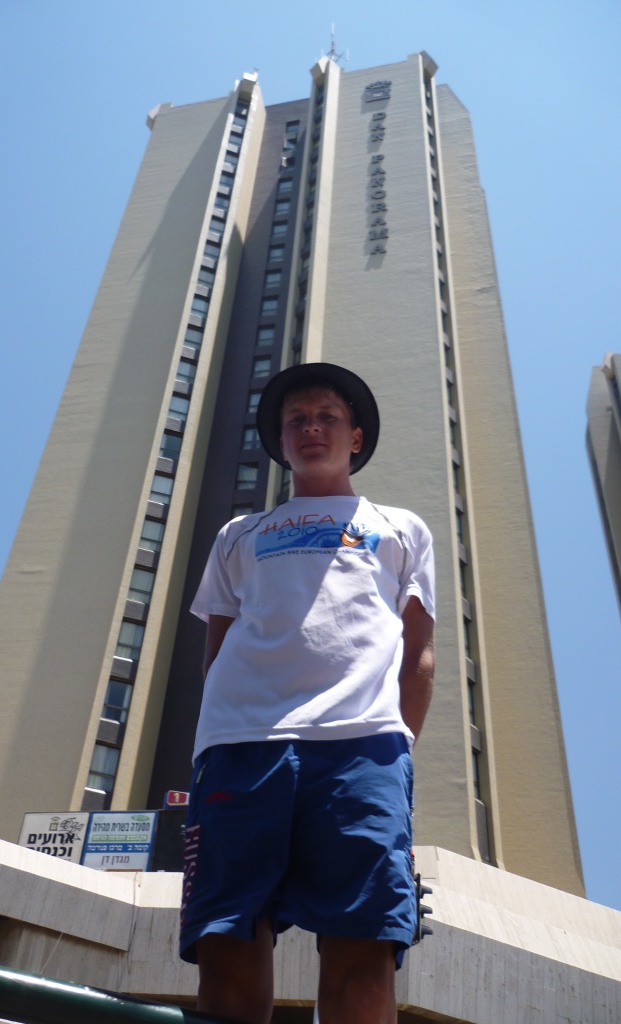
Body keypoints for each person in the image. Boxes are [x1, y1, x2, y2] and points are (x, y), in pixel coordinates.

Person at [179, 362, 435, 1024]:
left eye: (327, 417)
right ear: (281, 441)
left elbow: (420, 655)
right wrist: (224, 731)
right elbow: (216, 654)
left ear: (356, 437)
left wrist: (398, 747)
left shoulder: (401, 528)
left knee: (363, 959)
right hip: (241, 748)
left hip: (363, 750)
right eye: (297, 420)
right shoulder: (238, 536)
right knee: (227, 955)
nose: (311, 428)